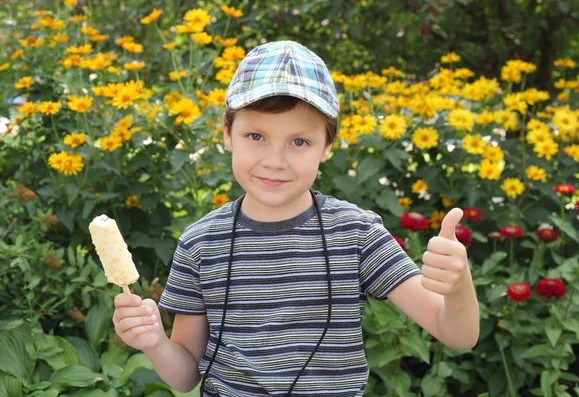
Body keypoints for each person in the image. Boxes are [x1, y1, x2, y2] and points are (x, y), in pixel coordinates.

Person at [112, 40, 480, 396]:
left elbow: (458, 335)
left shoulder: (356, 235)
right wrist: (155, 342)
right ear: (227, 133)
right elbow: (185, 376)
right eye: (256, 135)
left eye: (299, 142)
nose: (275, 160)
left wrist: (458, 285)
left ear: (327, 146)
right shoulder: (201, 244)